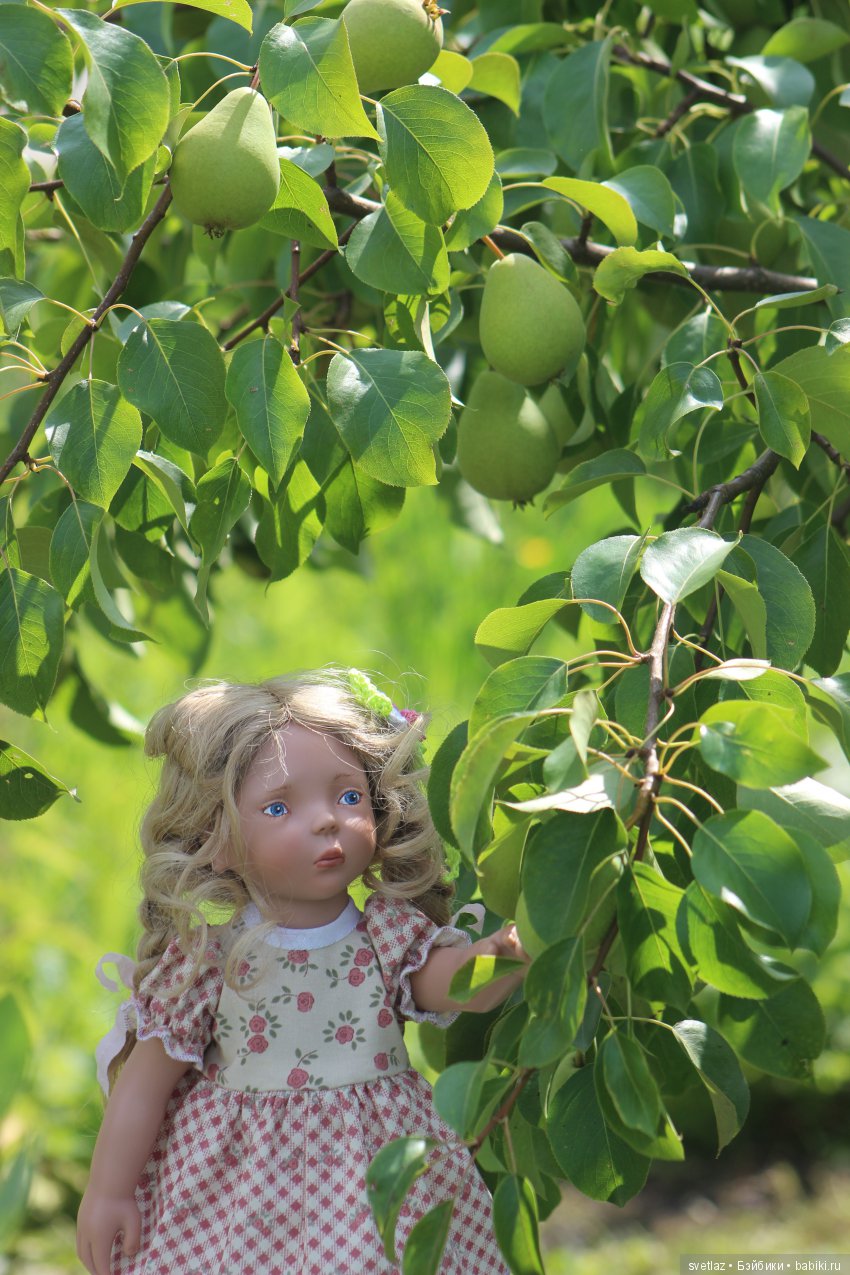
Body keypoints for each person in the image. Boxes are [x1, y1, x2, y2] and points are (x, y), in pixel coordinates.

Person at [76, 668, 528, 1275]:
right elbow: (144, 1086)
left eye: (349, 797)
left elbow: (447, 983)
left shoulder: (386, 936)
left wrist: (503, 956)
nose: (326, 821)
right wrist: (108, 1191)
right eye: (279, 807)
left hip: (376, 1169)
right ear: (217, 838)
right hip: (242, 1187)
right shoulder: (212, 963)